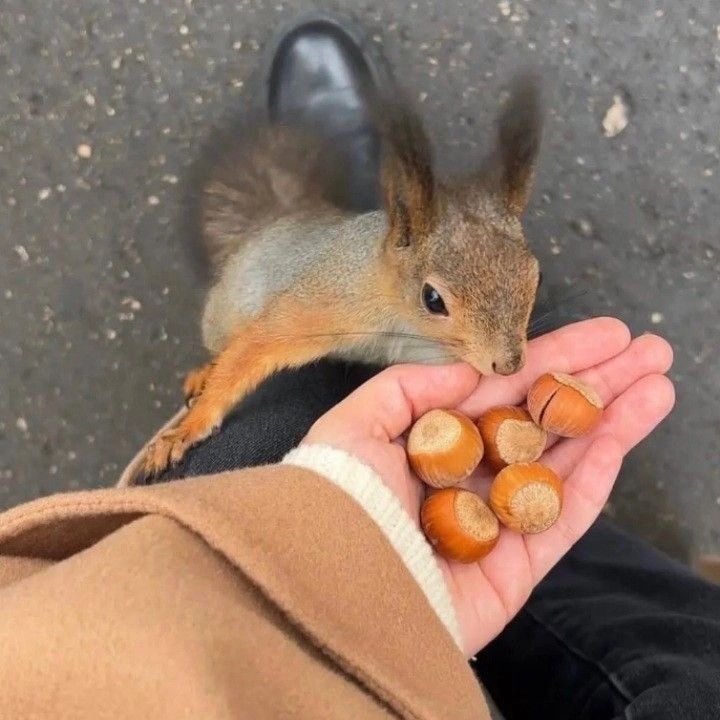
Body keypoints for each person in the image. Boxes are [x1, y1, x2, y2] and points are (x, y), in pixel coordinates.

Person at [0, 12, 718, 720]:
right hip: (308, 314)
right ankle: (348, 189)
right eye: (445, 302)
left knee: (295, 438)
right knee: (661, 640)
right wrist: (205, 413)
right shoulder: (347, 295)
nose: (512, 359)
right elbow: (262, 343)